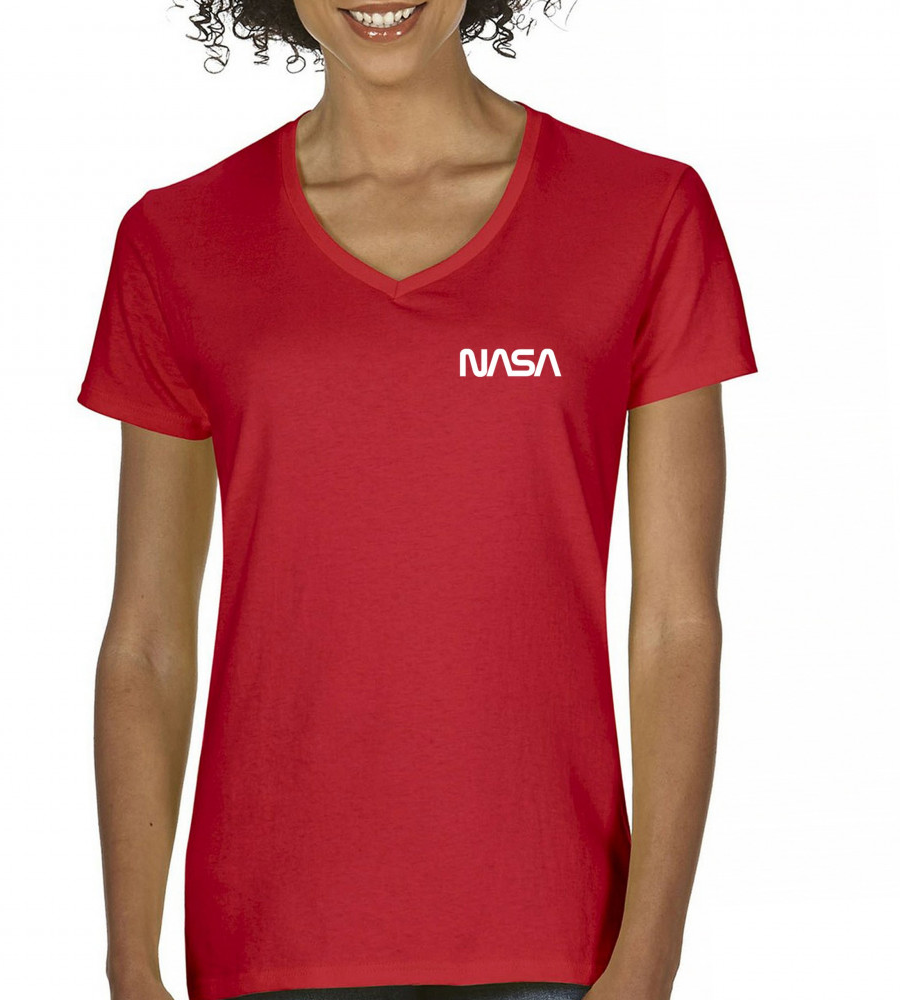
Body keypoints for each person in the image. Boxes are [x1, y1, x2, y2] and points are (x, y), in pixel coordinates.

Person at [76, 3, 759, 1000]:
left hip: (555, 941)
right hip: (269, 941)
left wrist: (649, 957)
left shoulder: (644, 212)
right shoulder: (177, 239)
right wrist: (130, 962)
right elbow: (145, 637)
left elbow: (675, 624)